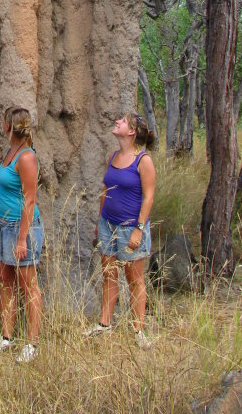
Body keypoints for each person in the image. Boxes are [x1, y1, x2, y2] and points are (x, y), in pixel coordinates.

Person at [85, 112, 156, 349]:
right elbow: (107, 189)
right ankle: (104, 325)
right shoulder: (114, 156)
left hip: (129, 228)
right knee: (109, 275)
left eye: (123, 121)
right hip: (108, 224)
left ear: (132, 132)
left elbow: (148, 198)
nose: (118, 122)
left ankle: (138, 330)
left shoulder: (143, 160)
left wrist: (138, 229)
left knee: (134, 279)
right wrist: (99, 221)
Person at [0, 106, 44, 364]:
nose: (1, 123)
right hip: (0, 225)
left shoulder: (27, 157)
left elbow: (30, 200)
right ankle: (7, 337)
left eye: (3, 119)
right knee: (5, 281)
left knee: (28, 285)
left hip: (20, 228)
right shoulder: (11, 152)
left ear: (8, 124)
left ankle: (32, 343)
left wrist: (22, 238)